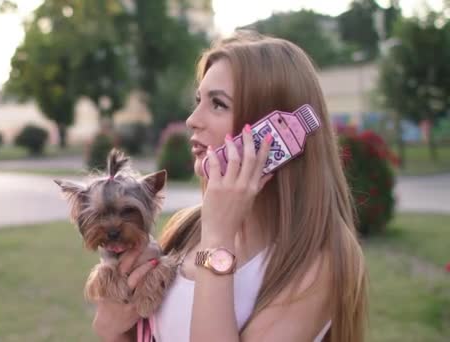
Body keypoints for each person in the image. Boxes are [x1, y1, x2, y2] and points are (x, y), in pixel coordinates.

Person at [92, 31, 368, 342]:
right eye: (198, 100)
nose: (192, 120)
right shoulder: (188, 226)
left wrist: (218, 239)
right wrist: (109, 329)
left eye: (218, 104)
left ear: (275, 134)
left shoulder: (320, 259)